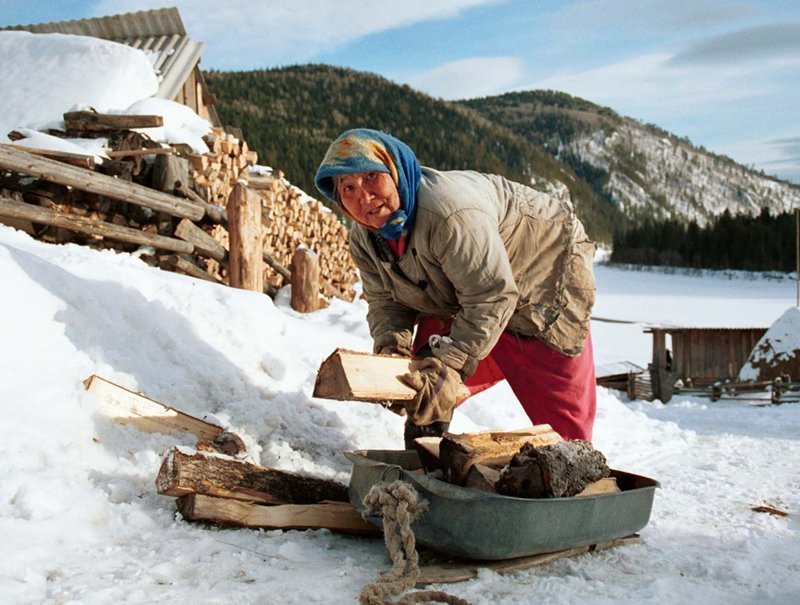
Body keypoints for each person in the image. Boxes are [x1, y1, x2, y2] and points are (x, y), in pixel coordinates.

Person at [314, 128, 597, 448]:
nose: (364, 197)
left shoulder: (449, 212)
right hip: (466, 288)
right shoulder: (365, 237)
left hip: (543, 271)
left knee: (564, 425)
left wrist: (451, 366)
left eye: (371, 177)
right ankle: (429, 466)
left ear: (395, 172)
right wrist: (391, 352)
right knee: (424, 383)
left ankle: (578, 480)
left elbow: (492, 295)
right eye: (348, 188)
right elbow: (386, 301)